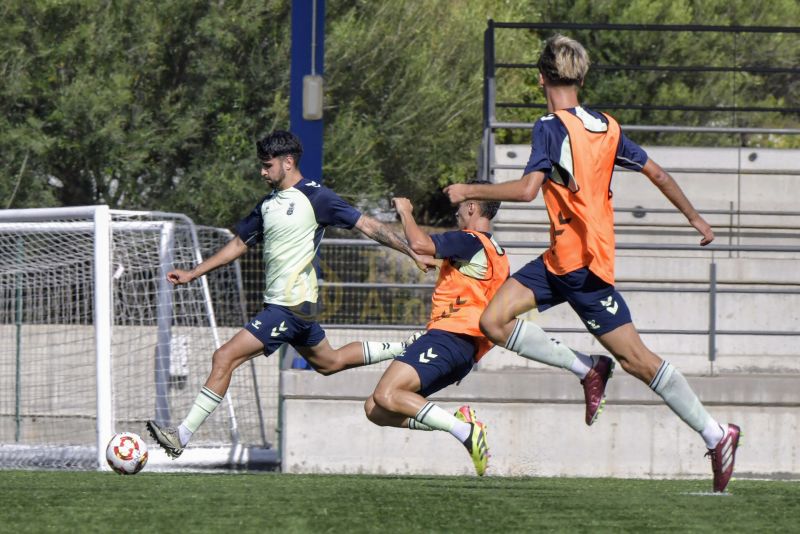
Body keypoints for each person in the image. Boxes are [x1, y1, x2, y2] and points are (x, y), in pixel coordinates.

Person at [444, 35, 740, 492]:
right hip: (559, 260)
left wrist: (469, 191)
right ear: (581, 77)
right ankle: (588, 369)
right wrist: (695, 217)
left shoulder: (550, 125)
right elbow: (657, 173)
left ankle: (716, 434)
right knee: (494, 320)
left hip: (584, 270)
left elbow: (526, 190)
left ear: (541, 77)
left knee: (638, 360)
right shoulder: (607, 126)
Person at [147, 130, 434, 459]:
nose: (262, 171)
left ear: (288, 162)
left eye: (267, 165)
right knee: (331, 362)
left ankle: (181, 436)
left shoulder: (316, 197)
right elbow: (239, 244)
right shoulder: (267, 205)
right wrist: (194, 272)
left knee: (224, 357)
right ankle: (406, 347)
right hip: (288, 307)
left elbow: (368, 225)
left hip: (290, 306)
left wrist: (411, 252)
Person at [363, 185, 510, 476]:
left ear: (472, 208)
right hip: (462, 350)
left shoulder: (470, 241)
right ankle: (457, 423)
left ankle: (463, 431)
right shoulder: (495, 252)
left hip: (450, 337)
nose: (456, 211)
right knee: (376, 409)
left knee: (386, 393)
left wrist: (405, 212)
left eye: (460, 205)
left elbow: (420, 244)